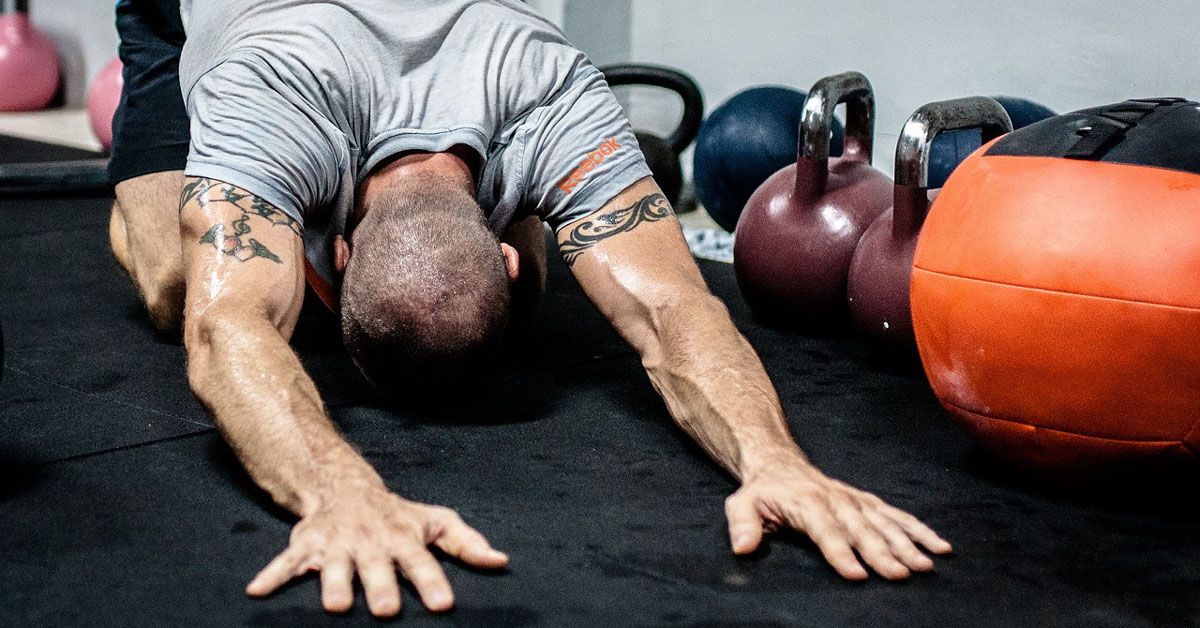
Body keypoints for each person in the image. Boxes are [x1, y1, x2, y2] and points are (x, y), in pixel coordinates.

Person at [107, 0, 952, 619]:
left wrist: (778, 464)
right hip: (224, 21)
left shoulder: (551, 90)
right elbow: (223, 328)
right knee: (180, 288)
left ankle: (349, 246)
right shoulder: (265, 91)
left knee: (306, 290)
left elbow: (672, 308)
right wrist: (336, 493)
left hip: (460, 51)